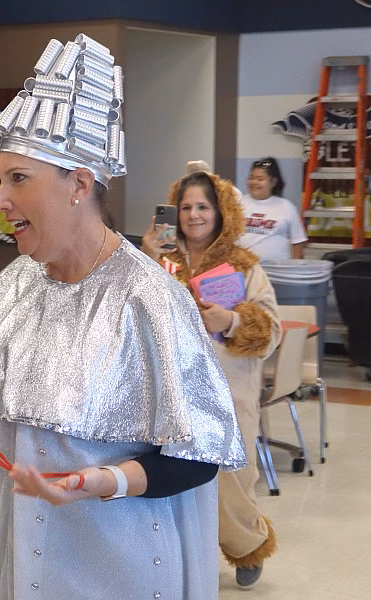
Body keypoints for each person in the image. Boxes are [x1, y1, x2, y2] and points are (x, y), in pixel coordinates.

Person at [0, 35, 246, 600]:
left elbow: (198, 461)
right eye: (0, 179)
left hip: (120, 566)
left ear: (79, 184)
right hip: (14, 564)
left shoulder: (151, 298)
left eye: (19, 179)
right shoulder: (12, 286)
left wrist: (105, 482)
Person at [142, 169, 281, 588]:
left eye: (203, 206)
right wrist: (148, 258)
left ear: (221, 213)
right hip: (171, 388)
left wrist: (233, 320)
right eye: (185, 207)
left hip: (229, 388)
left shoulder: (245, 266)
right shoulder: (161, 260)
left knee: (232, 477)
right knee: (170, 470)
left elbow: (271, 329)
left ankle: (246, 544)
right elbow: (132, 309)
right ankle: (178, 551)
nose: (193, 215)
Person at [239, 157, 307, 260]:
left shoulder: (287, 207)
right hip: (243, 269)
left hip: (277, 271)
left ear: (273, 182)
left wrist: (296, 267)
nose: (254, 182)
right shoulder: (237, 203)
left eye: (260, 179)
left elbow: (298, 241)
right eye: (251, 178)